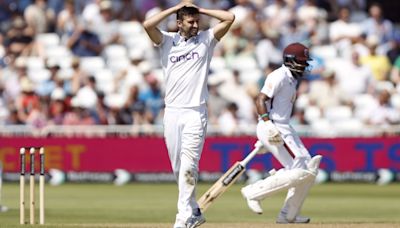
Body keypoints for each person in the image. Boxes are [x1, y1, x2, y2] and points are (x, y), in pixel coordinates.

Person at [143, 2, 235, 228]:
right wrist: (177, 7)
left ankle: (182, 218)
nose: (195, 25)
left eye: (197, 21)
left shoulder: (207, 39)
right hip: (172, 113)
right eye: (190, 21)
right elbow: (147, 24)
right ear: (178, 23)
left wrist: (200, 10)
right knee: (178, 168)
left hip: (196, 112)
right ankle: (194, 210)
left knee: (188, 166)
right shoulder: (166, 41)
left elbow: (229, 17)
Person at [240, 42, 322, 223]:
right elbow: (260, 99)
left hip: (284, 126)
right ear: (290, 61)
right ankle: (253, 192)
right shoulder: (278, 76)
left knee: (308, 170)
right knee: (300, 170)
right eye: (302, 62)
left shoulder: (292, 79)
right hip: (274, 126)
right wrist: (267, 126)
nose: (305, 65)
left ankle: (288, 215)